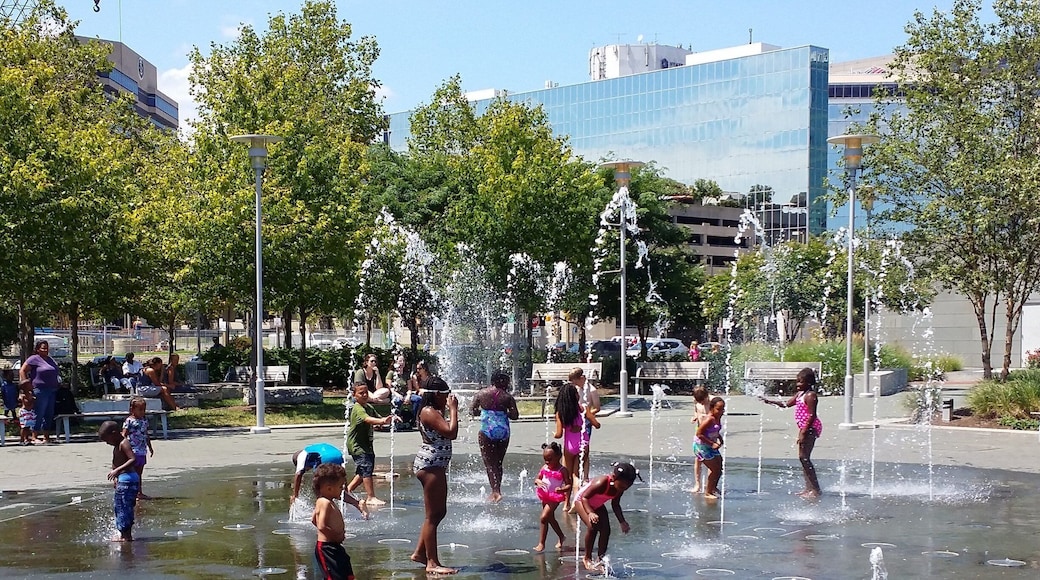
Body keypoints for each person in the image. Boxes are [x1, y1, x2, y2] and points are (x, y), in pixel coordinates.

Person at [410, 377, 459, 576]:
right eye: (445, 395)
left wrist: (448, 410)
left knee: (439, 513)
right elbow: (451, 432)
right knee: (432, 515)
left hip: (435, 465)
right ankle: (432, 562)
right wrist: (454, 409)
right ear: (437, 395)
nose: (448, 399)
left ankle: (420, 553)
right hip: (431, 465)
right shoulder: (429, 412)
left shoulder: (433, 410)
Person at [760, 367, 823, 498]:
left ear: (809, 382)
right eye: (797, 381)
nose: (797, 384)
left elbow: (812, 416)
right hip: (804, 427)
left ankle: (815, 489)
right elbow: (786, 404)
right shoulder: (800, 394)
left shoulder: (810, 395)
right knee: (803, 458)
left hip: (810, 427)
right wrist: (769, 401)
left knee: (804, 458)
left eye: (800, 382)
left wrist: (803, 433)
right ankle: (808, 488)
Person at [574, 462, 641, 571]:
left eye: (627, 487)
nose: (623, 489)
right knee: (592, 527)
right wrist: (590, 512)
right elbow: (584, 497)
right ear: (614, 477)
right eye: (623, 486)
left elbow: (615, 504)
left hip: (597, 505)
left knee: (606, 530)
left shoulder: (619, 488)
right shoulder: (602, 482)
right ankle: (587, 558)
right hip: (582, 502)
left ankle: (600, 559)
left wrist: (622, 522)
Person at [470, 369, 519, 503]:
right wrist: (503, 414)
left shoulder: (481, 394)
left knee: (489, 463)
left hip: (487, 430)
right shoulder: (508, 397)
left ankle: (495, 492)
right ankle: (498, 489)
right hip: (503, 430)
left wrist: (486, 414)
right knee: (498, 462)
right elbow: (515, 416)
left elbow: (472, 411)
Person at [311, 462, 368, 580]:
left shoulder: (327, 501)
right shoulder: (324, 502)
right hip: (327, 548)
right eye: (340, 486)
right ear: (329, 488)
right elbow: (321, 525)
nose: (342, 490)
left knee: (345, 575)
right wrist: (336, 536)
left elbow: (313, 520)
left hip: (334, 546)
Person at [346, 383, 395, 506]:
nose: (364, 395)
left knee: (363, 470)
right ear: (354, 395)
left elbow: (377, 418)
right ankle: (370, 497)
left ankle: (347, 491)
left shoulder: (368, 406)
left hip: (366, 445)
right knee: (366, 467)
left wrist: (389, 419)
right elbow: (367, 419)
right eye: (360, 393)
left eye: (366, 392)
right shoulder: (358, 408)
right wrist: (381, 421)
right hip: (357, 445)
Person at [552, 383, 599, 511]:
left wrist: (554, 435)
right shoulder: (583, 408)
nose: (579, 394)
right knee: (577, 474)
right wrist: (591, 421)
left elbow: (559, 434)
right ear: (574, 396)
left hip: (569, 446)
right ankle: (575, 502)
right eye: (577, 393)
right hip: (583, 444)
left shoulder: (561, 413)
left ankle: (566, 504)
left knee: (567, 477)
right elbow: (596, 424)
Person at [98, 420, 138, 542]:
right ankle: (125, 534)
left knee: (123, 507)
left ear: (114, 433)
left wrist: (117, 471)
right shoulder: (117, 445)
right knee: (122, 507)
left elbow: (132, 459)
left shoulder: (124, 443)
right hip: (124, 479)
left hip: (128, 480)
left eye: (106, 439)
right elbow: (115, 461)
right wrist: (116, 477)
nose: (106, 443)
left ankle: (125, 536)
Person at [18, 340, 60, 444]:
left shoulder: (50, 360)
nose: (45, 350)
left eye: (46, 348)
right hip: (40, 390)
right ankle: (34, 436)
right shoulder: (34, 359)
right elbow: (22, 370)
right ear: (37, 349)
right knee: (39, 413)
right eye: (43, 348)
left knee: (49, 414)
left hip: (52, 390)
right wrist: (26, 386)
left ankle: (46, 437)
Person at [533, 441, 571, 553]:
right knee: (550, 518)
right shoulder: (545, 467)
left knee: (544, 517)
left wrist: (562, 489)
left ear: (558, 456)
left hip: (554, 497)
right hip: (544, 495)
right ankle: (561, 536)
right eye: (545, 459)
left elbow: (569, 485)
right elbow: (537, 478)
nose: (547, 461)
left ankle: (541, 543)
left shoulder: (562, 470)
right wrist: (538, 482)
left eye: (549, 459)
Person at [571, 367, 602, 483]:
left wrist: (586, 414)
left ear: (582, 378)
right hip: (575, 421)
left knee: (584, 449)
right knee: (574, 449)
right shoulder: (575, 388)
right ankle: (574, 474)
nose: (574, 384)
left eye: (575, 381)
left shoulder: (592, 390)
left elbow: (597, 408)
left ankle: (585, 476)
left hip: (586, 421)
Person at [122, 397, 154, 500]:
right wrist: (122, 448)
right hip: (132, 450)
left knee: (139, 473)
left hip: (142, 450)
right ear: (132, 409)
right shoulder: (129, 421)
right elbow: (124, 435)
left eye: (144, 410)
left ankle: (139, 492)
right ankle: (132, 492)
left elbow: (146, 434)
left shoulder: (144, 420)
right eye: (140, 410)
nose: (142, 412)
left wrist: (150, 446)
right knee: (133, 472)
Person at [695, 397, 726, 499]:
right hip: (701, 446)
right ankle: (708, 493)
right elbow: (699, 434)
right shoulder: (709, 419)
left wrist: (720, 439)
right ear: (712, 408)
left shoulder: (717, 417)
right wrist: (712, 443)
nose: (721, 411)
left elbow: (715, 430)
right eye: (719, 409)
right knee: (714, 469)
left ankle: (713, 488)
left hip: (710, 445)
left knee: (719, 466)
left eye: (723, 409)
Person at [689, 386, 711, 493]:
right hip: (699, 433)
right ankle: (697, 484)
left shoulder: (713, 401)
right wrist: (695, 416)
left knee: (711, 460)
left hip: (710, 435)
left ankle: (709, 484)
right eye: (699, 401)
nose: (702, 403)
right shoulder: (696, 401)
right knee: (698, 459)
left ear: (707, 396)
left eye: (703, 401)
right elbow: (696, 410)